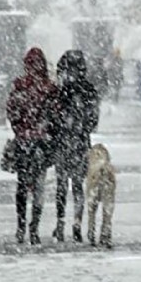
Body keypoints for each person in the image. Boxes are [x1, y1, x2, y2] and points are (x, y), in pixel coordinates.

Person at [6, 47, 59, 246]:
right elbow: (56, 116)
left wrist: (21, 131)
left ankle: (21, 226)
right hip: (41, 145)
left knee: (22, 185)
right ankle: (33, 227)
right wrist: (45, 131)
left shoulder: (20, 87)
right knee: (38, 186)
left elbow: (12, 113)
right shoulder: (49, 89)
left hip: (24, 143)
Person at [52, 50, 100, 243]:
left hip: (63, 143)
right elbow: (93, 119)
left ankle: (61, 223)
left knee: (62, 185)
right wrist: (82, 129)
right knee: (78, 185)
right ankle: (77, 223)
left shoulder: (60, 92)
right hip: (80, 143)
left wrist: (60, 129)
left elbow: (53, 118)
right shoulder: (88, 90)